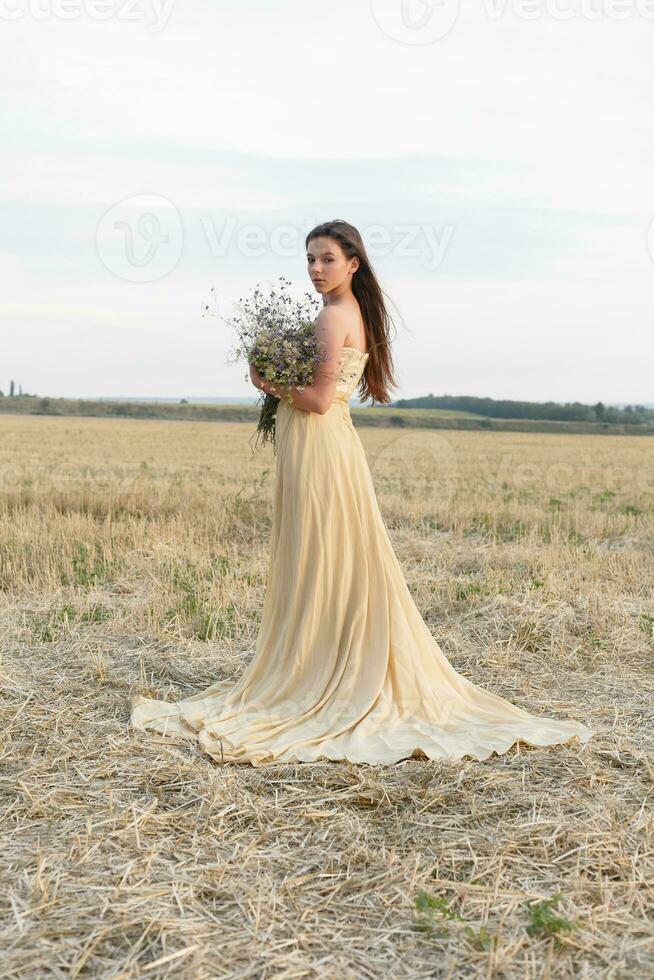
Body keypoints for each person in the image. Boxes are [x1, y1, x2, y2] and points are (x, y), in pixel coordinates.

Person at [130, 219, 594, 766]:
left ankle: (321, 671)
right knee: (331, 556)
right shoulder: (348, 314)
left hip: (320, 443)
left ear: (353, 263)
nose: (315, 269)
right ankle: (320, 659)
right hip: (324, 445)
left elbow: (320, 400)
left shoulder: (333, 317)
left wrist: (267, 383)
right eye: (309, 259)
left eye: (326, 259)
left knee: (324, 555)